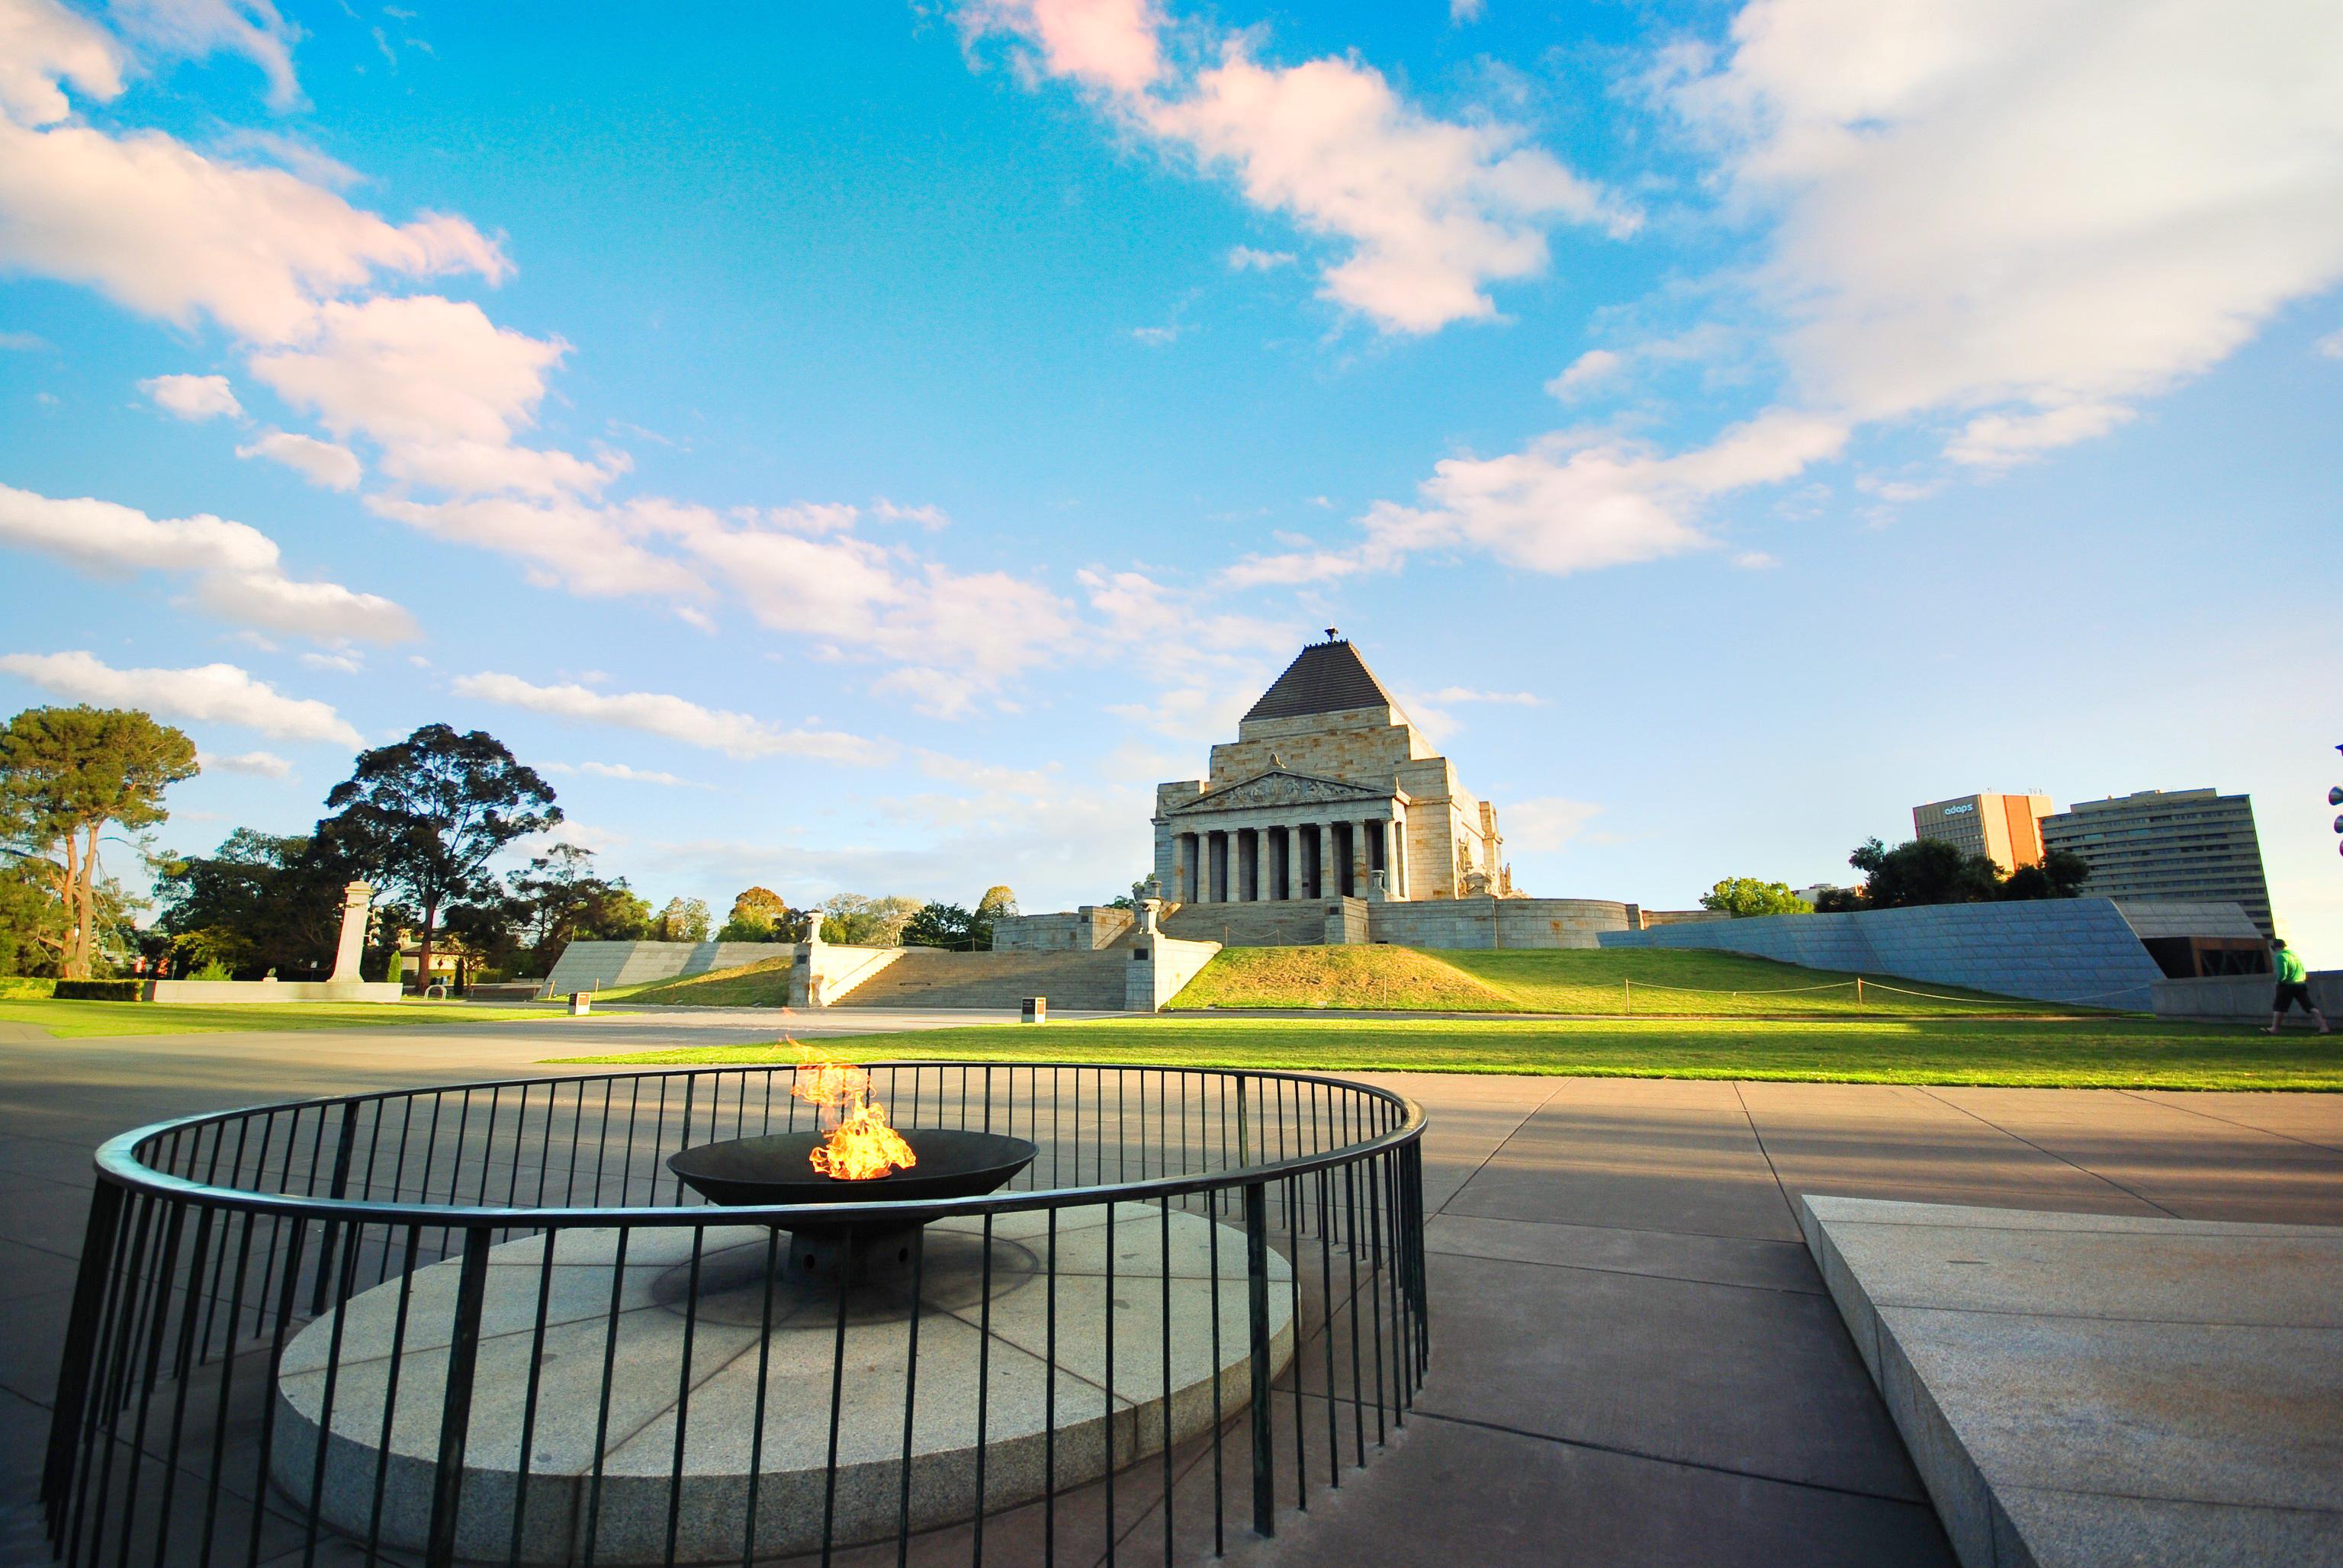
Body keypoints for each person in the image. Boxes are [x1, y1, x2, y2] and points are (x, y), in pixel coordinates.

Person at [2265, 938, 2330, 1035]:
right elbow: (2302, 970)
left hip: (2287, 985)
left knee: (2279, 1007)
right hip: (2300, 984)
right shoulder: (2294, 955)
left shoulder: (2280, 956)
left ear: (2274, 947)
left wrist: (2279, 982)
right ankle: (2324, 1027)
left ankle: (2274, 1029)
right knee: (2309, 1006)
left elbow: (2283, 973)